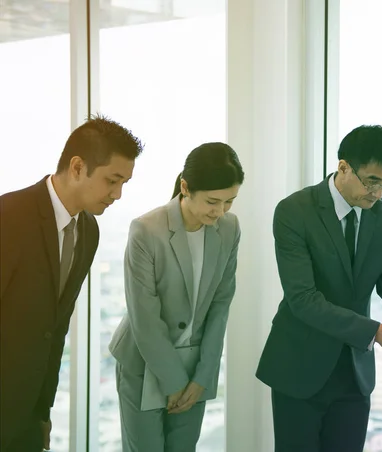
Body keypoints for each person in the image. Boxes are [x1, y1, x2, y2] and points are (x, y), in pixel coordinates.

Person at [256, 125, 382, 452]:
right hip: (299, 367)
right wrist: (376, 331)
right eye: (372, 181)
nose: (379, 193)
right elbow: (302, 299)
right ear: (343, 167)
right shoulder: (294, 211)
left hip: (354, 373)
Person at [0, 116, 143, 452]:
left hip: (28, 414)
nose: (118, 194)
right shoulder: (8, 216)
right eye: (112, 180)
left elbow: (56, 324)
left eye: (124, 183)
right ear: (78, 167)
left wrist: (42, 412)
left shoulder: (89, 231)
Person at [109, 142, 244, 452]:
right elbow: (144, 317)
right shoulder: (146, 230)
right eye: (212, 202)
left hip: (195, 367)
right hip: (144, 362)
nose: (220, 212)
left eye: (229, 202)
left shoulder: (229, 228)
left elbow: (221, 304)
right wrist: (175, 383)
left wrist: (203, 377)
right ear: (185, 187)